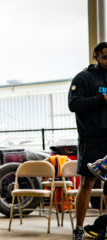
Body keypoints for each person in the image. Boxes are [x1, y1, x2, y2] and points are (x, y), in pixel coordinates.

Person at [68, 42, 107, 240]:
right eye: (105, 57)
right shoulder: (83, 78)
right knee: (87, 183)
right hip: (91, 140)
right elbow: (73, 104)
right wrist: (102, 99)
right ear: (96, 57)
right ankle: (79, 230)